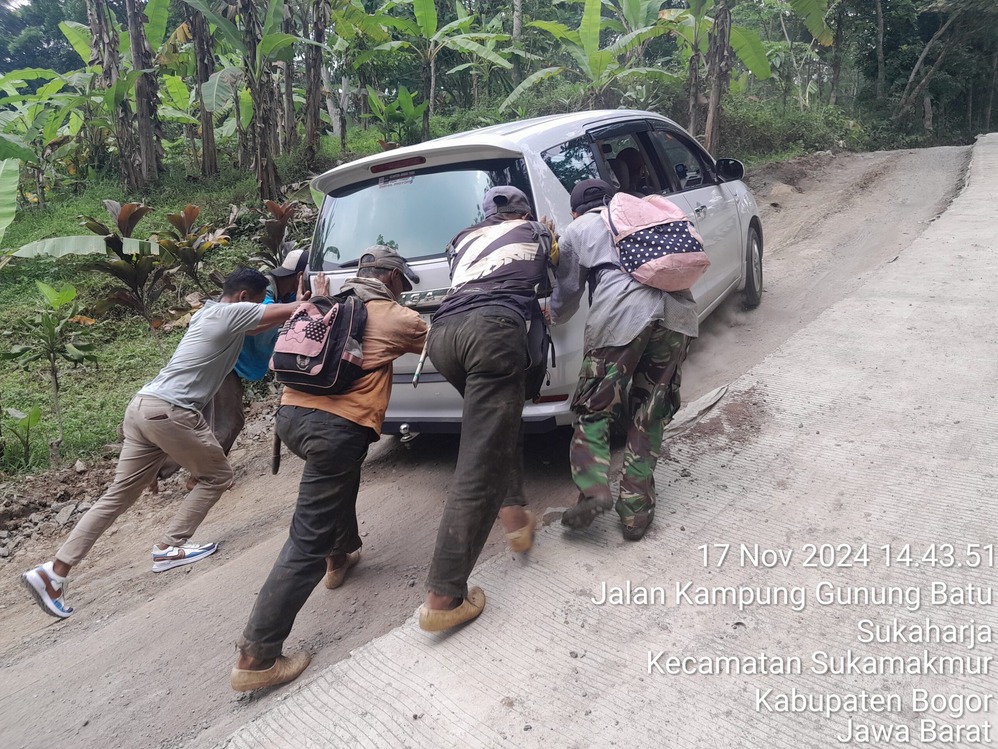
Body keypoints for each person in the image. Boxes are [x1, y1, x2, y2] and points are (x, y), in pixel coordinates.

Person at [21, 268, 307, 619]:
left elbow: (262, 325)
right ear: (246, 297)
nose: (265, 305)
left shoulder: (212, 313)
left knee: (118, 496)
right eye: (262, 299)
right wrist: (312, 296)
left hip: (143, 407)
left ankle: (54, 572)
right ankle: (169, 547)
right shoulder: (228, 312)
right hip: (171, 412)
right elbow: (290, 311)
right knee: (217, 476)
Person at [231, 246, 427, 692]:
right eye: (403, 282)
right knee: (306, 538)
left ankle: (339, 556)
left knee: (337, 478)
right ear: (394, 278)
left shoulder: (327, 302)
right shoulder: (399, 317)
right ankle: (257, 656)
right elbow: (442, 339)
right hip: (335, 433)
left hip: (291, 423)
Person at [418, 186, 552, 633]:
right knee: (478, 459)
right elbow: (549, 282)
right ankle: (444, 596)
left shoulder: (460, 240)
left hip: (443, 337)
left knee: (493, 428)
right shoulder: (534, 229)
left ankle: (515, 516)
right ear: (523, 211)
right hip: (491, 330)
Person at [550, 179, 698, 541]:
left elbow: (567, 296)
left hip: (620, 319)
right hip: (677, 314)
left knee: (594, 410)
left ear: (574, 210)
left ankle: (593, 489)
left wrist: (550, 315)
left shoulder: (579, 228)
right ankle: (635, 512)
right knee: (650, 411)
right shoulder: (642, 216)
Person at [157, 249, 310, 485]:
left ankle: (162, 466)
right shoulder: (265, 297)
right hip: (226, 367)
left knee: (211, 424)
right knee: (229, 422)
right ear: (300, 276)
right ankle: (195, 475)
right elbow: (255, 326)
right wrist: (298, 308)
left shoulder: (285, 295)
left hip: (230, 367)